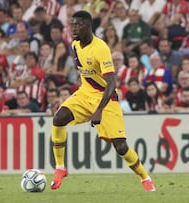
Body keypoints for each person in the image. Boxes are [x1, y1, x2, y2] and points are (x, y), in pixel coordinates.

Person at [50, 10, 156, 192]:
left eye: (79, 25)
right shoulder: (74, 45)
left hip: (106, 98)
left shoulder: (101, 48)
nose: (74, 28)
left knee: (121, 146)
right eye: (72, 24)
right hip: (85, 93)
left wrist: (98, 110)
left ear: (89, 26)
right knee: (59, 118)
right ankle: (60, 168)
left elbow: (111, 83)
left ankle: (145, 178)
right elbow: (82, 69)